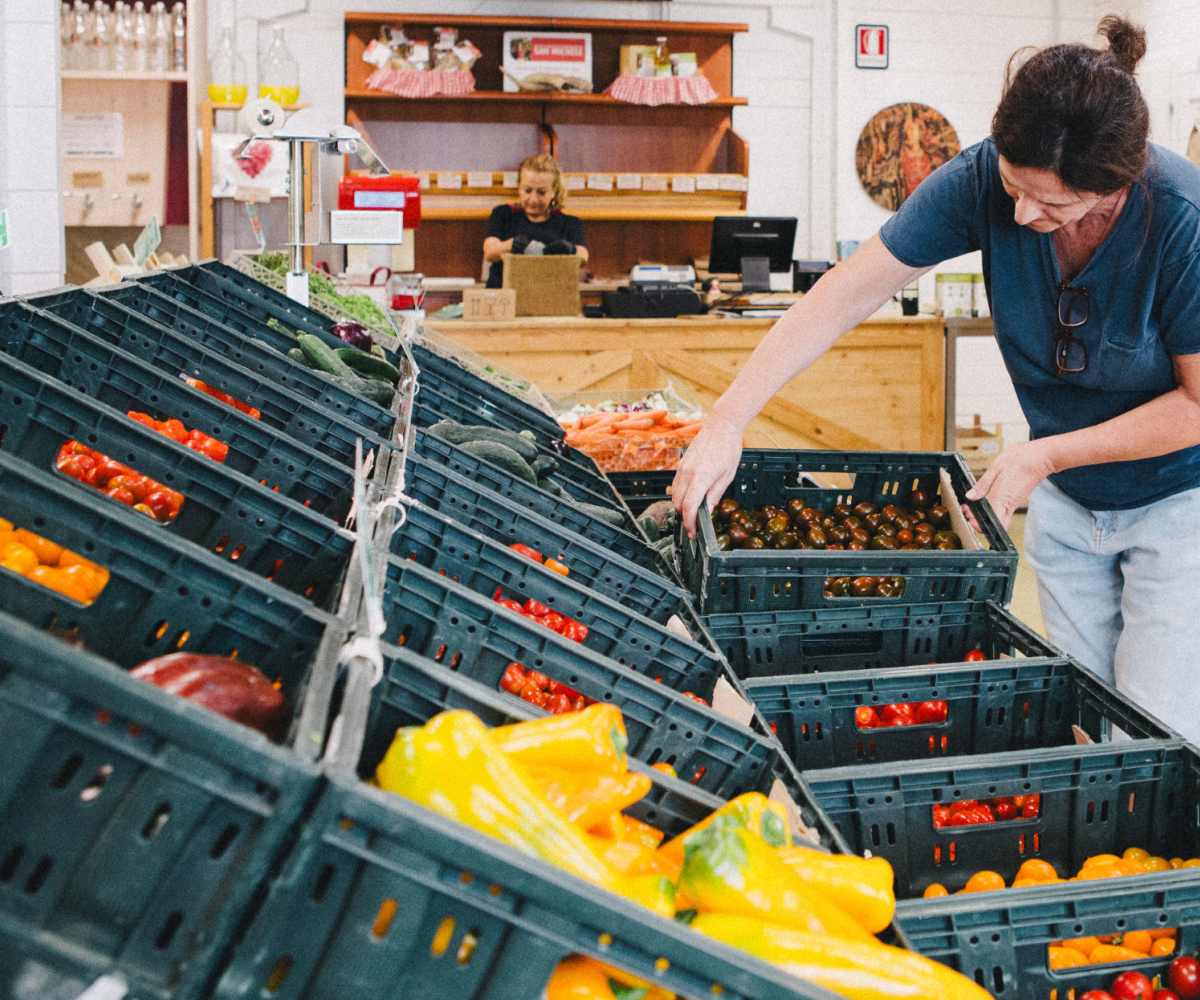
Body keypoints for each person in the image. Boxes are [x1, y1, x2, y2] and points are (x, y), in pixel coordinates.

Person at [672, 16, 1200, 744]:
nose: (1020, 213)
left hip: (1179, 505)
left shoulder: (1181, 220)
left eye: (1052, 205)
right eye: (1015, 187)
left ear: (1115, 188)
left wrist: (1045, 454)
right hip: (1069, 507)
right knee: (1076, 716)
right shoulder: (982, 180)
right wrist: (728, 419)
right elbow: (844, 294)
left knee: (1159, 730)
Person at [483, 154, 588, 288]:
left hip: (550, 299)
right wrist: (510, 245)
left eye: (541, 192)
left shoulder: (570, 223)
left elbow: (583, 256)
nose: (533, 199)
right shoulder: (502, 215)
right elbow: (489, 251)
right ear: (519, 188)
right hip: (505, 301)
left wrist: (570, 249)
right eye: (527, 190)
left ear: (553, 191)